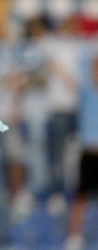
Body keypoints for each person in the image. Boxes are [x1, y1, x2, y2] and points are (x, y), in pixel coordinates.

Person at [67, 55, 98, 249]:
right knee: (81, 197)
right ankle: (75, 236)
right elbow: (68, 80)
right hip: (88, 154)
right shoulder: (86, 92)